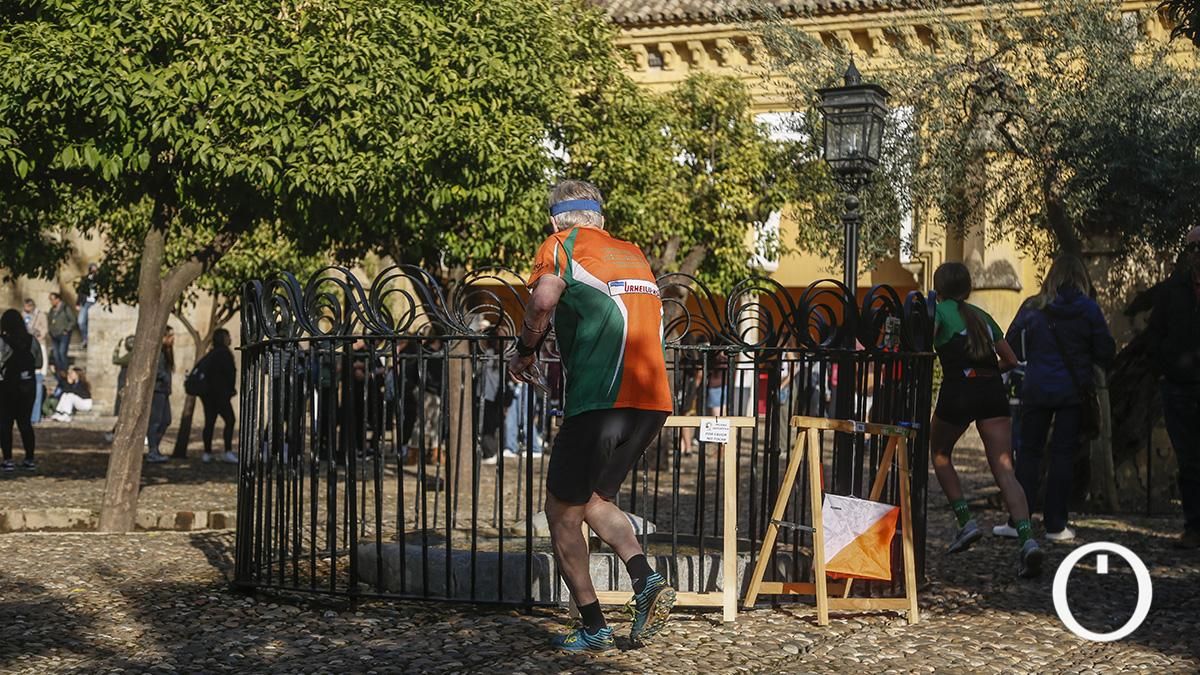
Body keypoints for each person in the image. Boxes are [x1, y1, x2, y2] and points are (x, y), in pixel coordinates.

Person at [508, 180, 676, 651]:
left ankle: (594, 626)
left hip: (600, 399)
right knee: (595, 500)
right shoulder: (633, 252)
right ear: (601, 218)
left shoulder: (561, 245)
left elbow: (543, 300)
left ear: (554, 221)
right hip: (652, 401)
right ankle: (646, 580)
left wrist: (525, 349)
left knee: (561, 512)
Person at [928, 262, 1043, 578]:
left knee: (940, 453)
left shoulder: (939, 312)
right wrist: (986, 373)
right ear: (967, 289)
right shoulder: (982, 316)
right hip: (991, 391)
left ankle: (966, 522)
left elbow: (922, 345)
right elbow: (1011, 360)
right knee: (1005, 469)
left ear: (938, 288)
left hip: (958, 390)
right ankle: (1028, 540)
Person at [1003, 255, 1115, 543]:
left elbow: (1011, 343)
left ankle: (1019, 521)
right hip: (1072, 392)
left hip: (1037, 388)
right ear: (1081, 278)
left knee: (1028, 454)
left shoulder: (1033, 307)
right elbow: (1106, 349)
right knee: (1063, 456)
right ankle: (1056, 525)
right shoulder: (1089, 309)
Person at [1147, 226, 1200, 549]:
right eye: (1192, 247)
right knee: (1189, 460)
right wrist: (1165, 370)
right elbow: (1155, 334)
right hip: (1179, 388)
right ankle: (1194, 527)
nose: (1197, 253)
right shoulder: (1172, 291)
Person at [0, 309, 38, 471]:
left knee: (5, 423)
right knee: (25, 423)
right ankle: (29, 458)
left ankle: (8, 459)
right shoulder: (31, 340)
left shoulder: (3, 341)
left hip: (7, 386)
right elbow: (39, 362)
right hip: (28, 385)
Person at [195, 328, 238, 464]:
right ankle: (227, 451)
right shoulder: (224, 353)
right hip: (220, 394)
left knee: (209, 422)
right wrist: (230, 390)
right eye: (228, 336)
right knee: (230, 420)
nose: (230, 339)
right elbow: (230, 374)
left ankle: (207, 452)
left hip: (208, 395)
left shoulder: (211, 354)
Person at [146, 327, 175, 463]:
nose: (173, 339)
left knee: (166, 420)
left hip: (163, 390)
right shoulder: (158, 352)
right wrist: (164, 377)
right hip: (157, 390)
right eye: (170, 336)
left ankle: (155, 448)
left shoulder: (166, 352)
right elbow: (155, 370)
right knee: (155, 421)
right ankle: (152, 450)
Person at [22, 299, 49, 424]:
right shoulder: (22, 316)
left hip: (37, 366)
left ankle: (35, 417)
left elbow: (44, 330)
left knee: (37, 392)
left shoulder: (40, 315)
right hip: (26, 359)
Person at [47, 292, 76, 374]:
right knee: (56, 354)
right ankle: (59, 371)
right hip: (54, 335)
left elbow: (73, 320)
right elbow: (49, 320)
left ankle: (64, 370)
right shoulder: (52, 310)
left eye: (52, 299)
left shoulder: (65, 308)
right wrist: (50, 330)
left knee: (62, 352)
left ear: (58, 299)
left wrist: (67, 329)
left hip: (63, 335)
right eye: (50, 300)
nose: (51, 301)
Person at [76, 263, 99, 348]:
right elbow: (80, 291)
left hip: (96, 303)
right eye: (92, 270)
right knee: (81, 321)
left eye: (95, 270)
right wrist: (77, 303)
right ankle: (85, 339)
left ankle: (92, 339)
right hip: (86, 302)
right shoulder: (85, 280)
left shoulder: (100, 281)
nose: (94, 272)